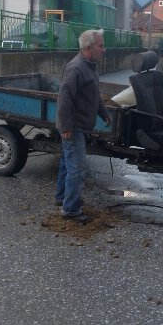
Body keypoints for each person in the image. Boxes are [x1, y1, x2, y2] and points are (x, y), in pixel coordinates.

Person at [55, 29, 111, 223]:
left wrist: (104, 114)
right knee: (77, 168)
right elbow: (64, 99)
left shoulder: (90, 66)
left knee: (66, 163)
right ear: (88, 48)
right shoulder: (76, 68)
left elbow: (94, 95)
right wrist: (66, 127)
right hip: (74, 126)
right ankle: (70, 209)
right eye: (101, 46)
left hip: (79, 125)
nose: (104, 50)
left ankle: (62, 197)